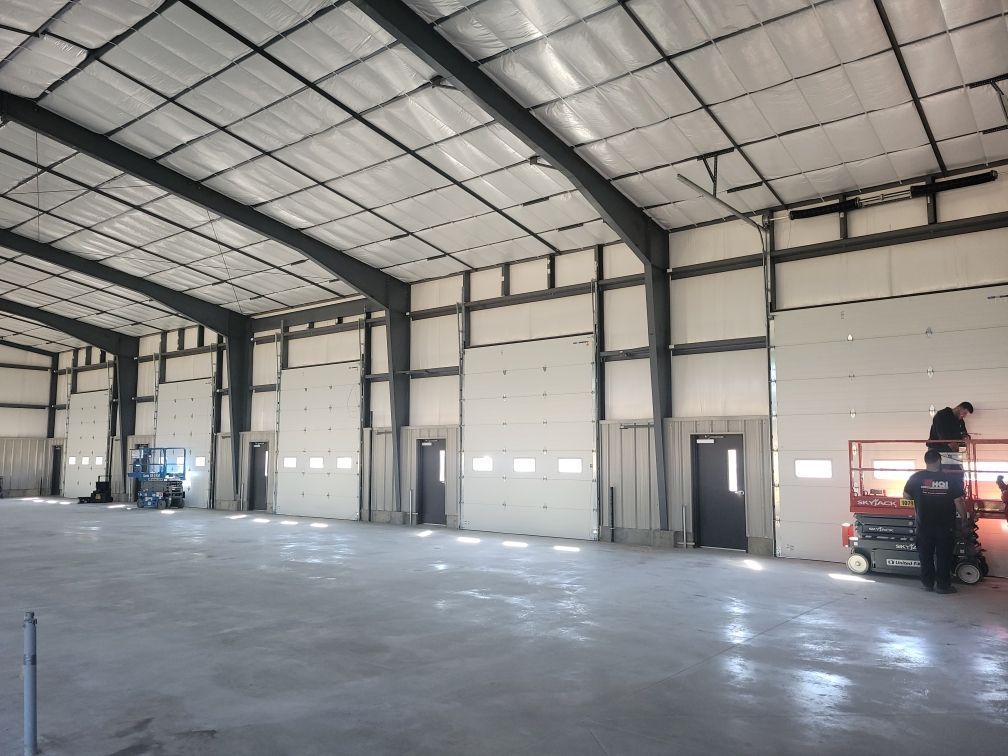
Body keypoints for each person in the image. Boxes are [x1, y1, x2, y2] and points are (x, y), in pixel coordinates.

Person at [903, 449, 966, 594]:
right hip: (945, 527)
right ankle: (943, 586)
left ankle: (928, 584)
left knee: (925, 556)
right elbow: (959, 501)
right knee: (944, 556)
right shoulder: (950, 479)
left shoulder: (916, 478)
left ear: (926, 461)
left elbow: (906, 496)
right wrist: (964, 519)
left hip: (924, 525)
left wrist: (920, 499)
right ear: (939, 461)